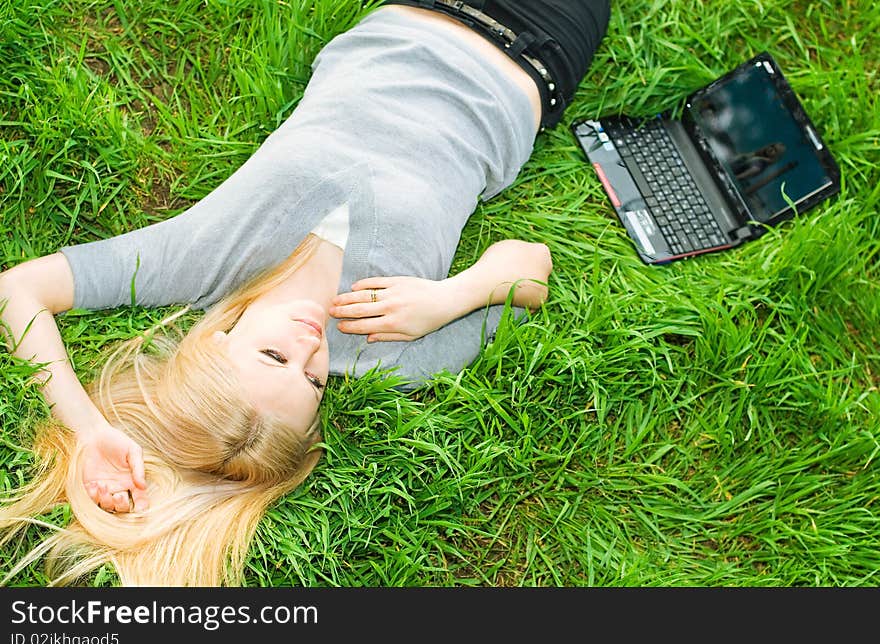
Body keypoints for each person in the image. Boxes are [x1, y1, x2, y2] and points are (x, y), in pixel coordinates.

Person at [0, 0, 611, 586]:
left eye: (275, 358)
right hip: (537, 45)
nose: (310, 349)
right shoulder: (392, 350)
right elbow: (532, 269)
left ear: (215, 343)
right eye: (314, 383)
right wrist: (455, 296)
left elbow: (19, 290)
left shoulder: (197, 261)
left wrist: (84, 430)